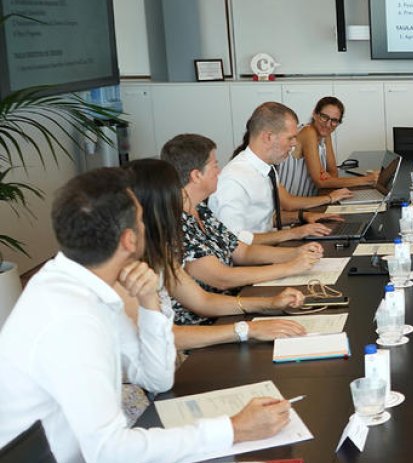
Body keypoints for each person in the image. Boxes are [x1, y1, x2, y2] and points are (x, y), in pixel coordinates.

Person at [0, 168, 292, 463]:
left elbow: (156, 377)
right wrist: (234, 428)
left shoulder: (83, 285)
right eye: (140, 221)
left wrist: (150, 302)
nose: (146, 227)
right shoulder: (72, 318)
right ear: (128, 240)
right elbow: (109, 454)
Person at [127, 157, 308, 344]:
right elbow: (166, 336)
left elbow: (202, 301)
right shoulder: (128, 267)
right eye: (177, 189)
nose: (183, 194)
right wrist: (247, 329)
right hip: (188, 348)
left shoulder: (158, 249)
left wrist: (270, 304)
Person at [161, 134, 325, 323]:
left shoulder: (200, 209)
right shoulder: (176, 224)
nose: (219, 171)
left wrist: (296, 253)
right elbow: (222, 278)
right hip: (212, 321)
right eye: (214, 165)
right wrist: (289, 267)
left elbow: (241, 251)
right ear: (196, 175)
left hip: (233, 305)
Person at [211, 102, 352, 243]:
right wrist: (294, 233)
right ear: (269, 137)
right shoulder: (234, 180)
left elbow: (264, 219)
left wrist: (303, 216)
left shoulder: (267, 168)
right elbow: (233, 243)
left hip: (268, 247)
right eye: (290, 138)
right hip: (253, 258)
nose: (295, 144)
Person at [275, 96, 378, 197]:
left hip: (310, 201)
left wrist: (328, 178)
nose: (328, 124)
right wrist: (367, 180)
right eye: (324, 117)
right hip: (292, 206)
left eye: (334, 120)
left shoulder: (325, 134)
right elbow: (321, 182)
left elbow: (333, 173)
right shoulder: (308, 132)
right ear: (315, 114)